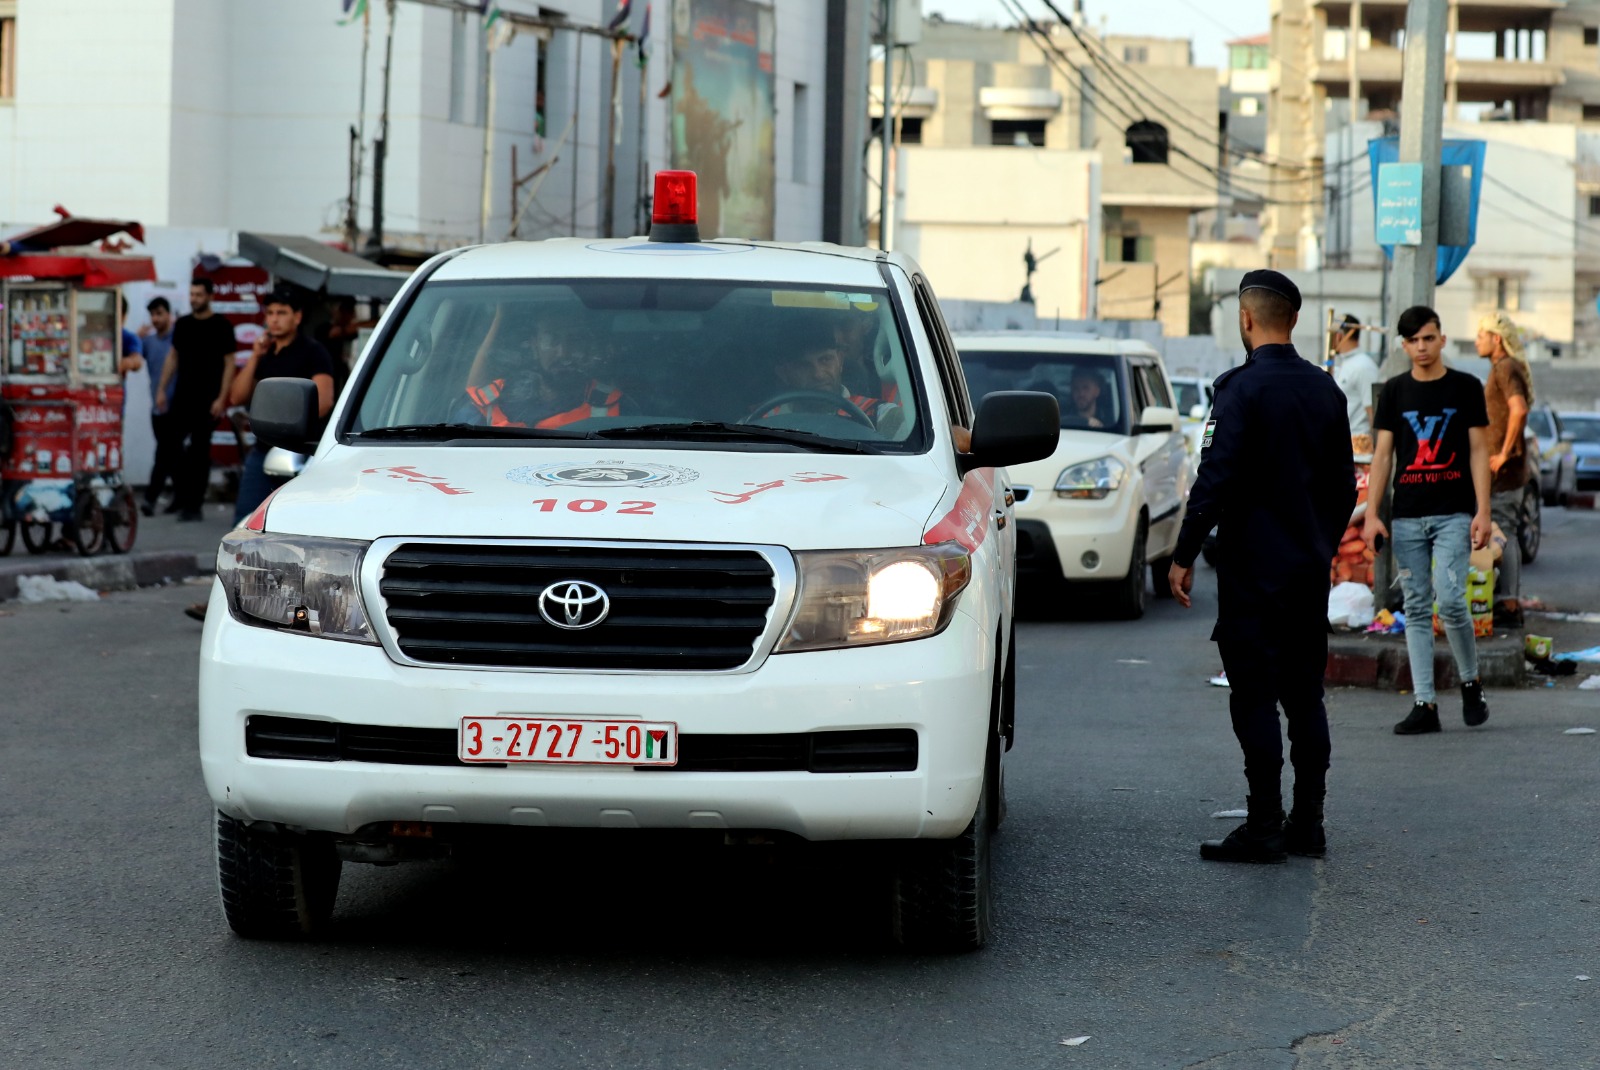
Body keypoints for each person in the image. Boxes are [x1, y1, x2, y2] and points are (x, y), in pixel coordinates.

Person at [1167, 270, 1356, 864]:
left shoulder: (1238, 391)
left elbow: (1214, 480)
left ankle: (1265, 825)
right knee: (1305, 697)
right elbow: (1345, 489)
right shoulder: (1327, 391)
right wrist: (1318, 545)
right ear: (1293, 320)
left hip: (1251, 572)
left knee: (1253, 695)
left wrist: (1183, 553)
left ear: (1246, 320)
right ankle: (1310, 824)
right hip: (1306, 571)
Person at [1362, 306, 1492, 736]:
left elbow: (1478, 452)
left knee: (1452, 600)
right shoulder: (1395, 392)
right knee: (1416, 608)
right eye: (1413, 340)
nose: (1421, 347)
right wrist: (1372, 516)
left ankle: (1470, 682)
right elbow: (1382, 457)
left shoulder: (1466, 387)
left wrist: (1483, 511)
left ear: (1441, 339)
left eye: (1428, 338)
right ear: (1404, 345)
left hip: (1453, 513)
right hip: (1407, 516)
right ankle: (1425, 704)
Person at [228, 289, 336, 525]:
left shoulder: (313, 352)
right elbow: (236, 396)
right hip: (262, 449)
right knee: (245, 521)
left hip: (299, 453)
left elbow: (324, 402)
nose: (274, 319)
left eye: (282, 313)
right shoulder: (265, 353)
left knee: (292, 522)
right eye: (270, 313)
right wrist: (255, 356)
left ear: (297, 317)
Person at [155, 278, 238, 521]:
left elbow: (229, 364)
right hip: (182, 397)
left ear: (210, 296)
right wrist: (161, 389)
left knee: (199, 453)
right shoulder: (183, 324)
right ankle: (181, 496)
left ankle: (194, 506)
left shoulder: (222, 326)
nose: (194, 299)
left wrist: (221, 398)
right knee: (170, 447)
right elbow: (172, 358)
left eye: (199, 294)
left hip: (208, 399)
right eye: (191, 294)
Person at [461, 315, 625, 429]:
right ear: (534, 346)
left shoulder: (614, 405)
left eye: (575, 340)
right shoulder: (489, 400)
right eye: (551, 340)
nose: (564, 353)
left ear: (588, 347)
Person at [1476, 310, 1531, 629]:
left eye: (1481, 336)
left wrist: (1503, 453)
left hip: (1504, 470)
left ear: (1496, 339)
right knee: (1500, 529)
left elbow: (1518, 409)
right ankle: (1504, 599)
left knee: (1505, 531)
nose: (1476, 341)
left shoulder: (1505, 367)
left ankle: (1509, 604)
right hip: (1500, 468)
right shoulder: (1503, 367)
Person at [764, 319, 905, 435]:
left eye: (825, 360)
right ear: (784, 373)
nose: (818, 374)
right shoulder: (763, 422)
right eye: (803, 365)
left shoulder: (879, 415)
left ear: (840, 361)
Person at [139, 297, 182, 516]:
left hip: (177, 407)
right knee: (171, 454)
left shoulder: (178, 339)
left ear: (169, 314)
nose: (156, 319)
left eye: (159, 313)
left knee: (163, 454)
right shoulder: (149, 341)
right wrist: (137, 338)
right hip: (157, 408)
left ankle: (150, 498)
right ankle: (181, 497)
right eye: (153, 315)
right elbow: (135, 357)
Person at [1330, 313, 1380, 438]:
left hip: (1358, 445)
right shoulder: (1344, 364)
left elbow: (1373, 411)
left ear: (1339, 336)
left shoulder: (1363, 366)